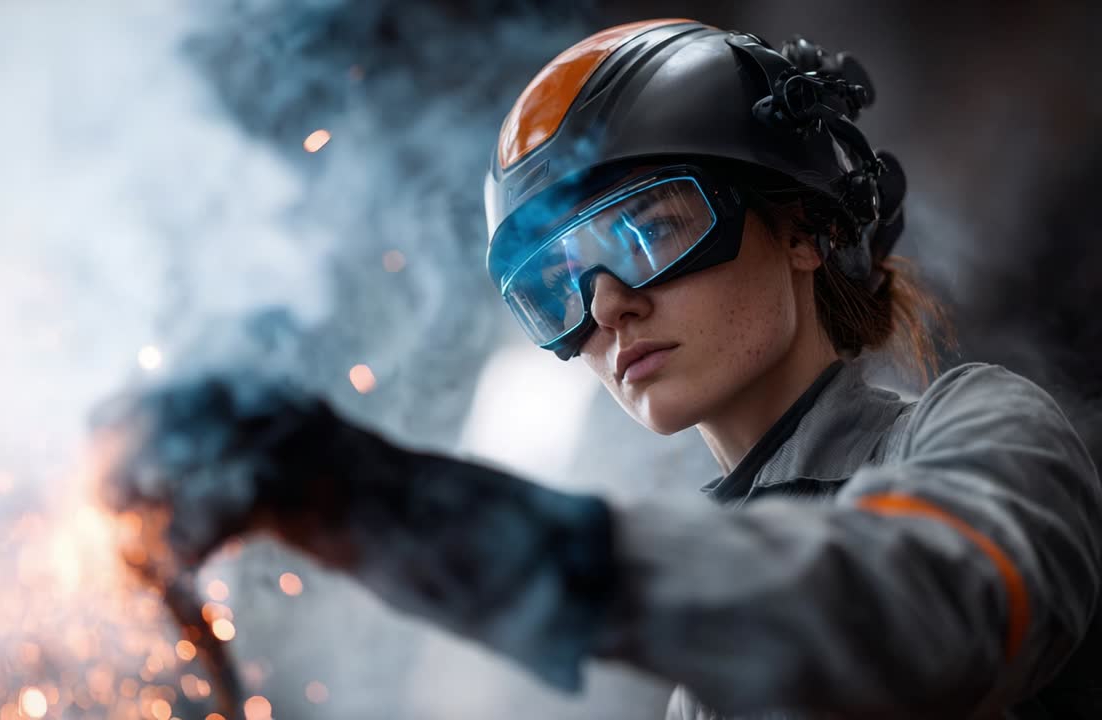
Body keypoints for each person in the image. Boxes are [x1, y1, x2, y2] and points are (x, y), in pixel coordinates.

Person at [94, 19, 1102, 719]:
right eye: (556, 283)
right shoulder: (704, 675)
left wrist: (375, 502)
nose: (605, 306)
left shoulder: (981, 427)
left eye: (648, 228)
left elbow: (921, 617)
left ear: (802, 228)